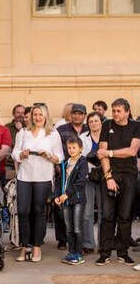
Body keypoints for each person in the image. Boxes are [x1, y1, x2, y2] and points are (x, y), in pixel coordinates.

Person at [12, 104, 63, 262]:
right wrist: (22, 154)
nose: (38, 117)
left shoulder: (52, 134)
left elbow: (60, 157)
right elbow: (14, 153)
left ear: (46, 116)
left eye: (41, 114)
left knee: (39, 211)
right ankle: (24, 245)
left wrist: (48, 156)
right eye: (35, 114)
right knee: (23, 211)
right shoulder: (23, 132)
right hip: (24, 176)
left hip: (43, 177)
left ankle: (36, 247)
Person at [96, 98, 140, 266]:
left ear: (127, 112)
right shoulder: (106, 125)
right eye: (113, 111)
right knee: (107, 217)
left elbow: (132, 151)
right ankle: (105, 252)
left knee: (125, 216)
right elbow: (101, 154)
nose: (115, 114)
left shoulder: (136, 126)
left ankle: (123, 252)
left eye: (118, 111)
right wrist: (108, 177)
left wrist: (110, 153)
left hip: (129, 176)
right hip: (110, 175)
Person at [55, 103, 89, 249]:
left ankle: (78, 250)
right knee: (63, 216)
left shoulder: (87, 130)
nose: (76, 116)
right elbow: (56, 148)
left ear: (84, 115)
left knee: (77, 223)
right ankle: (63, 240)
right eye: (74, 113)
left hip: (77, 180)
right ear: (70, 114)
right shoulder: (61, 130)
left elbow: (81, 181)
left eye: (80, 113)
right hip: (63, 170)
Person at [54, 136, 88, 265]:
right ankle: (71, 252)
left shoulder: (82, 162)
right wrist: (57, 196)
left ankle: (79, 254)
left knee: (77, 227)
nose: (71, 150)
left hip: (77, 200)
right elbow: (59, 181)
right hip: (65, 200)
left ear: (80, 149)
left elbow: (80, 182)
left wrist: (67, 194)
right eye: (69, 148)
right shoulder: (64, 163)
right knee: (68, 227)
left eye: (74, 148)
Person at [80, 111, 104, 254]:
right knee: (87, 212)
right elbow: (80, 155)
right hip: (88, 177)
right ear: (87, 124)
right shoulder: (83, 137)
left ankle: (103, 244)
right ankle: (88, 243)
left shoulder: (108, 136)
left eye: (96, 121)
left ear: (101, 122)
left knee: (104, 212)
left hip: (105, 177)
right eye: (91, 122)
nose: (94, 124)